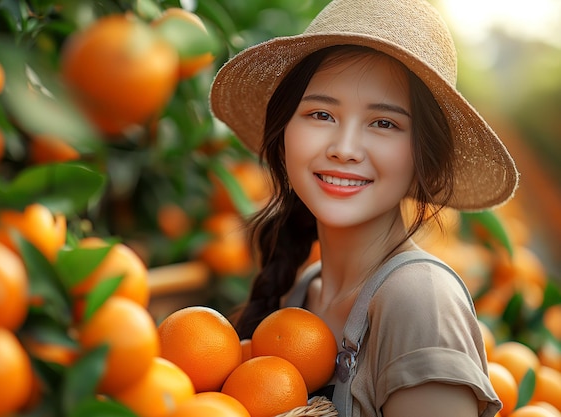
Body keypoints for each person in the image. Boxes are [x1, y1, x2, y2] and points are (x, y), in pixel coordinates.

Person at [209, 0, 519, 416]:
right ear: (284, 133)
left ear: (424, 157)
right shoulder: (306, 290)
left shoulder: (419, 302)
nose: (345, 149)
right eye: (321, 114)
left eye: (384, 123)